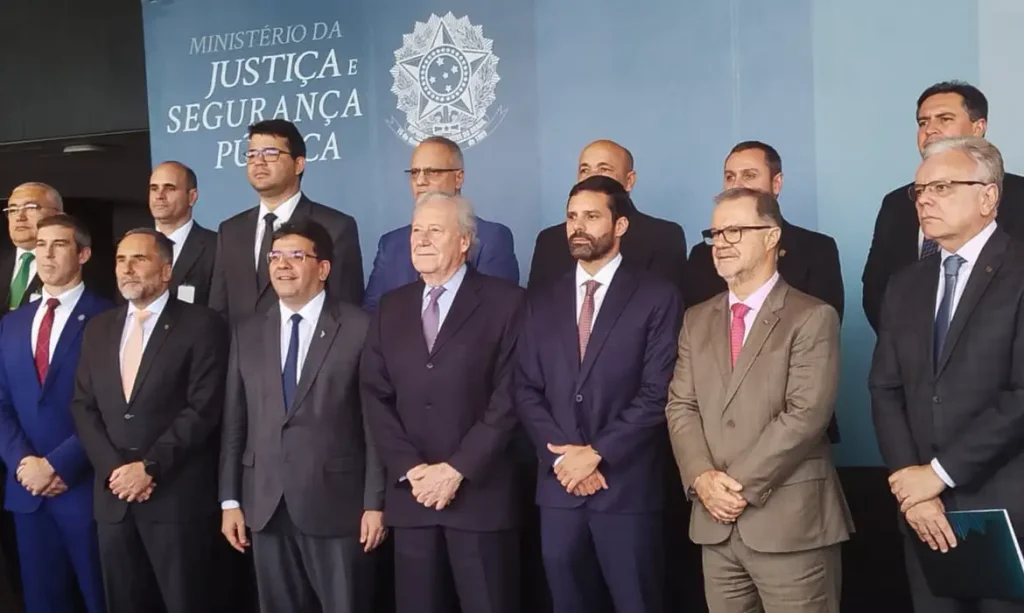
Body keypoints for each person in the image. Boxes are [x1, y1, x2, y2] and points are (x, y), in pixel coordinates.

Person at [665, 186, 852, 612]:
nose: (722, 243)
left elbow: (805, 416)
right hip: (714, 525)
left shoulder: (811, 316)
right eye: (716, 233)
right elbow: (681, 406)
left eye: (735, 230)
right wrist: (701, 479)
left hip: (790, 526)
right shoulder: (696, 319)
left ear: (772, 236)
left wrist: (733, 488)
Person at [870, 136, 1024, 612]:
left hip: (1006, 504)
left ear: (988, 196)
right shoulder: (906, 282)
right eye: (920, 191)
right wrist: (911, 488)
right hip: (924, 513)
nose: (926, 200)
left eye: (941, 187)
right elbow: (885, 388)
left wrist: (939, 473)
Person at [517, 175, 681, 613]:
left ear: (620, 225)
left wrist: (598, 453)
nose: (578, 227)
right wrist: (563, 459)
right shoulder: (541, 300)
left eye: (591, 216)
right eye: (572, 217)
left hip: (625, 488)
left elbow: (657, 392)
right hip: (559, 490)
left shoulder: (657, 296)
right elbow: (527, 389)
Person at [361, 192, 524, 613]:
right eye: (417, 230)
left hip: (478, 499)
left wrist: (456, 470)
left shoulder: (507, 303)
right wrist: (413, 471)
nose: (422, 240)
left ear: (465, 241)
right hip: (413, 499)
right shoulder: (390, 308)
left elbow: (509, 398)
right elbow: (375, 397)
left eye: (435, 230)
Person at [219, 220, 386, 613]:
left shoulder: (360, 327)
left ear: (323, 268)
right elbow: (234, 423)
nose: (282, 265)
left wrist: (375, 503)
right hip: (265, 506)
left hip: (338, 507)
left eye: (297, 256)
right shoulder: (248, 332)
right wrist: (229, 500)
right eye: (275, 256)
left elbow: (375, 424)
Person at [70, 229, 227, 613]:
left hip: (175, 500)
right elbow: (82, 405)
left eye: (139, 259)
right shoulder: (99, 328)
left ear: (166, 271)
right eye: (122, 260)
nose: (127, 269)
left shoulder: (202, 324)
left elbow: (202, 409)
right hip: (114, 500)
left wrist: (149, 467)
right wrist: (115, 471)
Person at [0, 215, 112, 613]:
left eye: (58, 244)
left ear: (83, 254)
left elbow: (112, 408)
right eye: (40, 245)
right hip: (27, 492)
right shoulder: (11, 324)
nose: (45, 253)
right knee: (41, 603)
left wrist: (60, 465)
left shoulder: (109, 319)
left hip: (85, 490)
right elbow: (1, 406)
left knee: (101, 598)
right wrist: (23, 463)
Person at [862, 81, 1024, 332]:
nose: (930, 130)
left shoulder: (1019, 196)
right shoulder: (897, 203)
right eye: (923, 122)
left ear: (978, 127)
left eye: (944, 119)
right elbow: (876, 290)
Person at [209, 119, 364, 325]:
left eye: (271, 154)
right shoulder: (230, 230)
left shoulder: (335, 227)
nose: (259, 161)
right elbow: (218, 310)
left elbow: (345, 311)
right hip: (241, 354)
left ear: (298, 164)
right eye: (253, 154)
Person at [686, 141, 844, 319]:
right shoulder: (703, 255)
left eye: (749, 175)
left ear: (776, 183)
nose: (737, 185)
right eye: (730, 177)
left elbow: (821, 325)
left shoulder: (816, 249)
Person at [362, 136, 519, 312]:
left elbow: (497, 312)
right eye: (415, 173)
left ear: (458, 178)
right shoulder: (390, 244)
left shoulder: (491, 238)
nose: (420, 181)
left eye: (432, 172)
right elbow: (371, 313)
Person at [527, 140, 687, 294]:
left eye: (604, 169)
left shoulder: (663, 237)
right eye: (585, 170)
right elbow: (536, 308)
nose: (592, 178)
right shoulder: (550, 240)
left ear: (629, 180)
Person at [149, 161, 217, 306]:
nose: (159, 196)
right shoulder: (133, 245)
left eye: (170, 188)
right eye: (154, 188)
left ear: (192, 197)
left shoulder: (217, 246)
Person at [1, 183, 63, 310]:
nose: (19, 217)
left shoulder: (74, 267)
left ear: (57, 216)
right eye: (13, 210)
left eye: (30, 208)